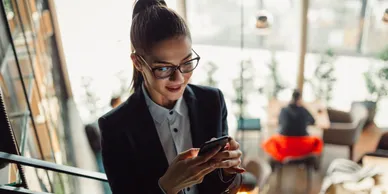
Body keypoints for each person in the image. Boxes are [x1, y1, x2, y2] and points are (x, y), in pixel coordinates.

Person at [98, 0, 244, 193]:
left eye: (187, 63)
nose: (179, 78)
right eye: (164, 68)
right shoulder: (115, 127)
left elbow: (223, 186)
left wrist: (228, 171)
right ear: (138, 63)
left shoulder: (212, 102)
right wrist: (166, 187)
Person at [262, 90, 323, 163]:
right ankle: (310, 162)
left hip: (285, 146)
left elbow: (280, 122)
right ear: (300, 99)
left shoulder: (284, 110)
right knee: (318, 141)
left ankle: (275, 164)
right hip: (302, 146)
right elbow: (313, 121)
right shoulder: (303, 109)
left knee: (269, 142)